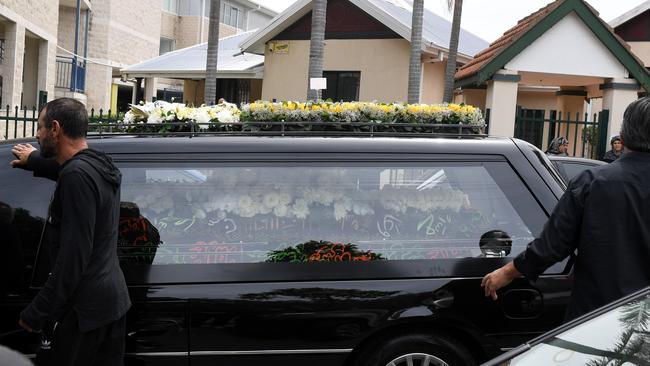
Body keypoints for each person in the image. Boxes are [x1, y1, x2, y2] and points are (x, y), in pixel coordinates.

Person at [481, 97, 650, 321]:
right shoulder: (592, 182)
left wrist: (507, 272)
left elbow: (553, 244)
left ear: (624, 135)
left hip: (598, 316)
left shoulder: (593, 182)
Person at [9, 98, 131, 366]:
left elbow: (74, 256)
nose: (37, 135)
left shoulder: (77, 176)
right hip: (109, 305)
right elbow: (69, 169)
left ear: (55, 128)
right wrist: (35, 161)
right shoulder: (101, 165)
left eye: (40, 128)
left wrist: (37, 312)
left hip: (81, 314)